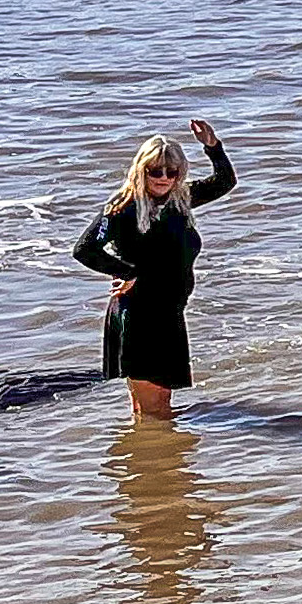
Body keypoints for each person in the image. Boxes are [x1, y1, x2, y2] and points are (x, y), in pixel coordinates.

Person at [73, 122, 235, 422]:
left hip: (170, 313)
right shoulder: (122, 208)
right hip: (138, 315)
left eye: (171, 172)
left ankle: (148, 457)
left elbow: (224, 181)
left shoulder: (180, 199)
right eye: (155, 171)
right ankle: (156, 461)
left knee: (159, 403)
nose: (163, 178)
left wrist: (213, 147)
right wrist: (126, 271)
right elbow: (84, 249)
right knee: (155, 408)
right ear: (141, 169)